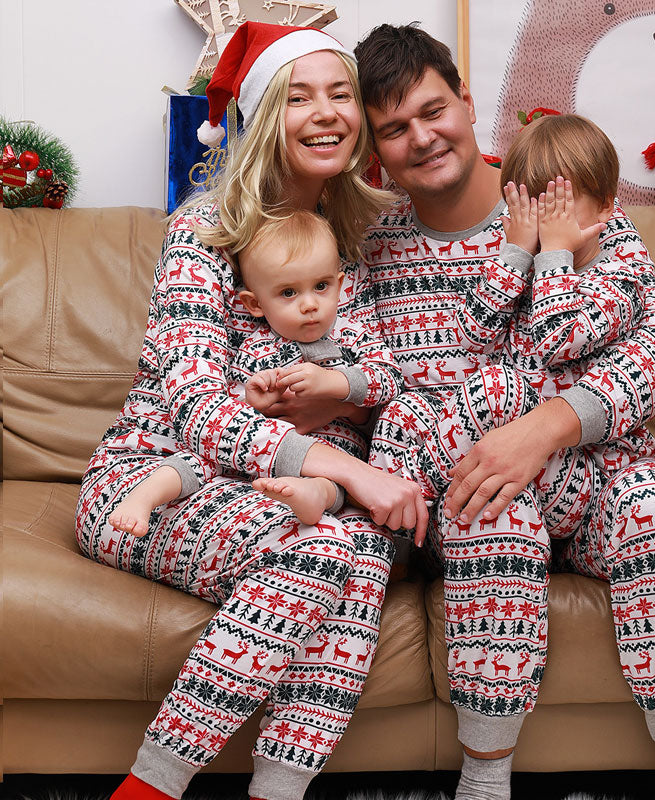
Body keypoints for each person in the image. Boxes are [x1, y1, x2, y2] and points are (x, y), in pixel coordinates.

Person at [341, 23, 655, 800]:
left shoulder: (565, 200)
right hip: (473, 487)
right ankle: (485, 780)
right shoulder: (371, 248)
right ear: (376, 147)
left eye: (432, 111)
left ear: (466, 101)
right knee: (492, 510)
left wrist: (547, 428)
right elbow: (370, 384)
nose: (422, 137)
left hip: (596, 475)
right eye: (395, 129)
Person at [75, 21, 426, 800]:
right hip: (156, 478)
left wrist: (339, 392)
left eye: (340, 94)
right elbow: (196, 405)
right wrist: (345, 468)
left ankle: (277, 790)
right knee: (330, 549)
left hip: (277, 491)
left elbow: (389, 379)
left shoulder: (354, 244)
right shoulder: (203, 233)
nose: (326, 112)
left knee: (362, 553)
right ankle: (151, 786)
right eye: (299, 98)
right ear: (266, 116)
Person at [108, 210, 404, 534]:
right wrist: (254, 398)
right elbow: (228, 398)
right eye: (289, 293)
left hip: (327, 449)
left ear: (340, 285)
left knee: (334, 481)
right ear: (255, 305)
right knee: (201, 458)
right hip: (257, 450)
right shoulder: (257, 346)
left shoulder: (351, 335)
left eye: (321, 286)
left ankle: (310, 496)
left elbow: (389, 377)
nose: (310, 304)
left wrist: (337, 383)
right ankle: (147, 495)